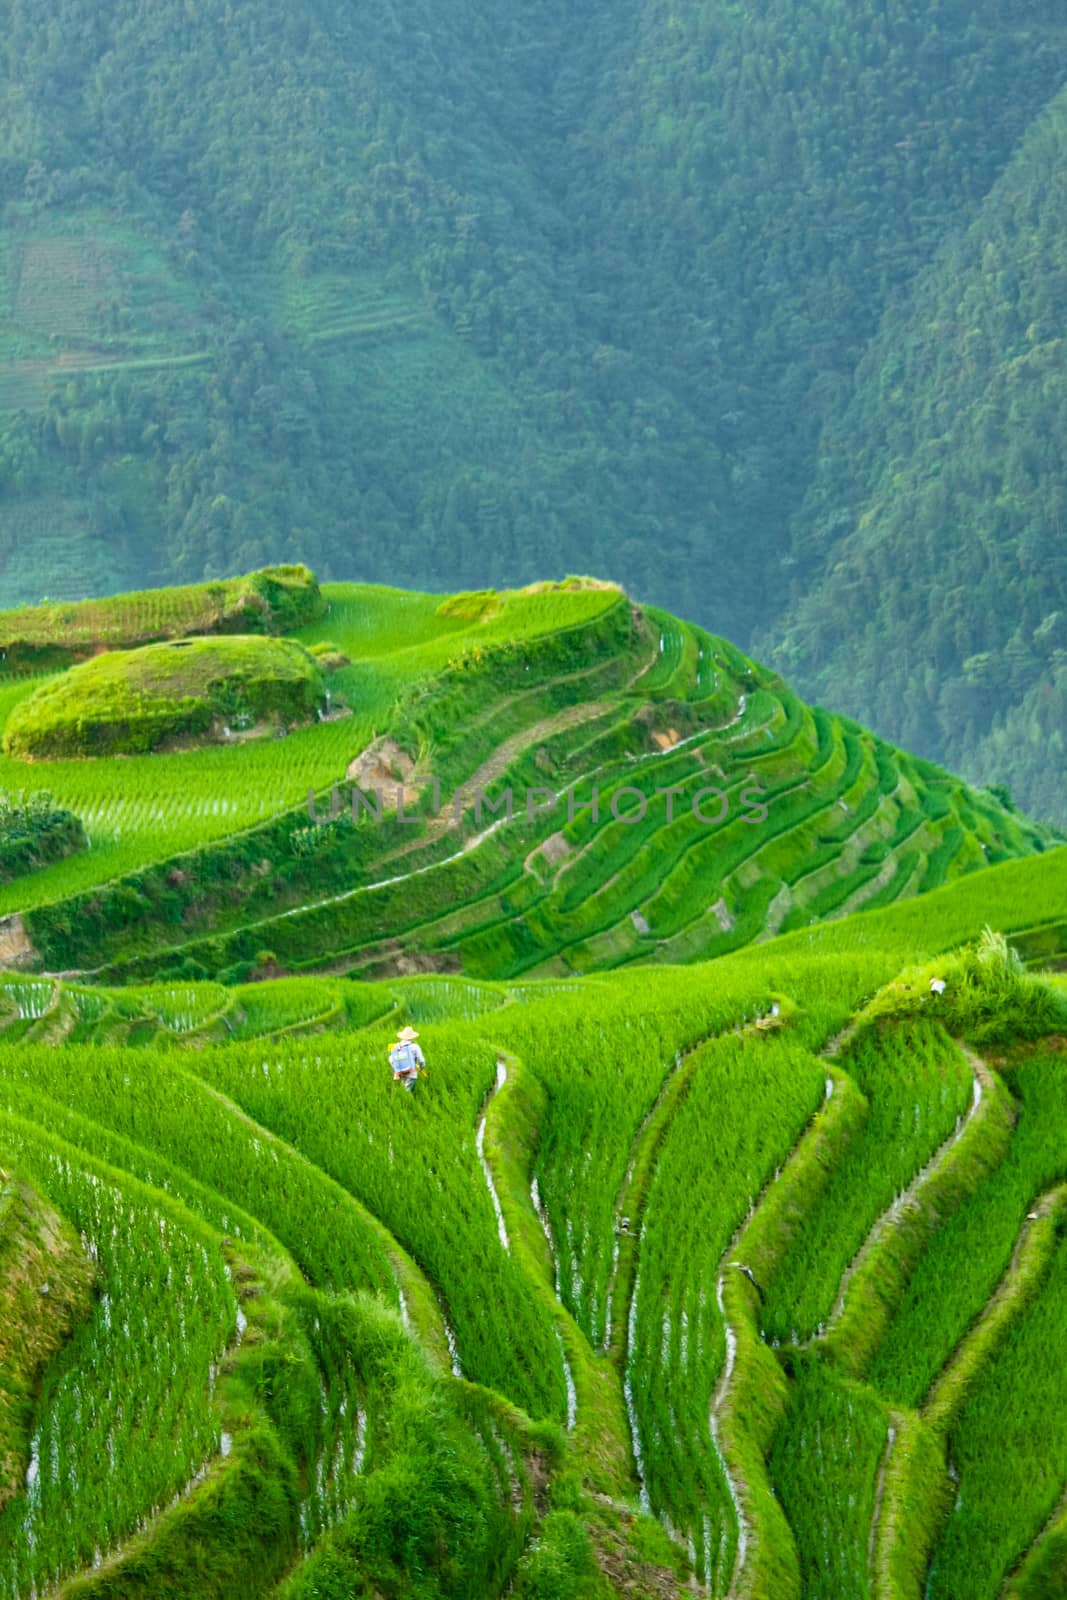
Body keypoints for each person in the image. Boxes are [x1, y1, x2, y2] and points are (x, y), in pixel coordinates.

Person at [389, 1025, 426, 1093]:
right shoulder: (415, 1047)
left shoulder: (395, 1046)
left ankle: (401, 1097)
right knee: (407, 1091)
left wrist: (397, 1069)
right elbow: (421, 1060)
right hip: (411, 1073)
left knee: (404, 1087)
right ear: (412, 1037)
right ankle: (403, 1100)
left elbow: (391, 1060)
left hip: (400, 1073)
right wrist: (421, 1067)